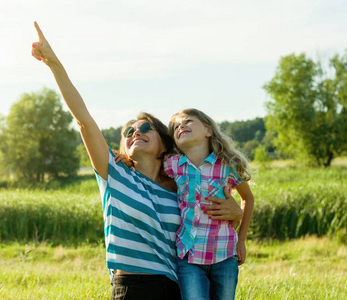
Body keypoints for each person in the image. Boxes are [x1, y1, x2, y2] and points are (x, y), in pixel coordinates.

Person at [31, 22, 243, 300]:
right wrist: (55, 65)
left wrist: (237, 214)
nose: (135, 133)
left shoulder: (178, 185)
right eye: (128, 132)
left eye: (145, 129)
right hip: (131, 288)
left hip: (175, 286)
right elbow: (83, 120)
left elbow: (208, 223)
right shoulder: (114, 173)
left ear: (164, 143)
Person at [165, 108, 255, 300]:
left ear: (208, 130)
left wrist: (242, 240)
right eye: (176, 127)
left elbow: (248, 198)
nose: (181, 126)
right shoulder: (172, 165)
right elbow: (145, 165)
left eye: (188, 121)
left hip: (224, 254)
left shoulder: (227, 165)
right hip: (189, 256)